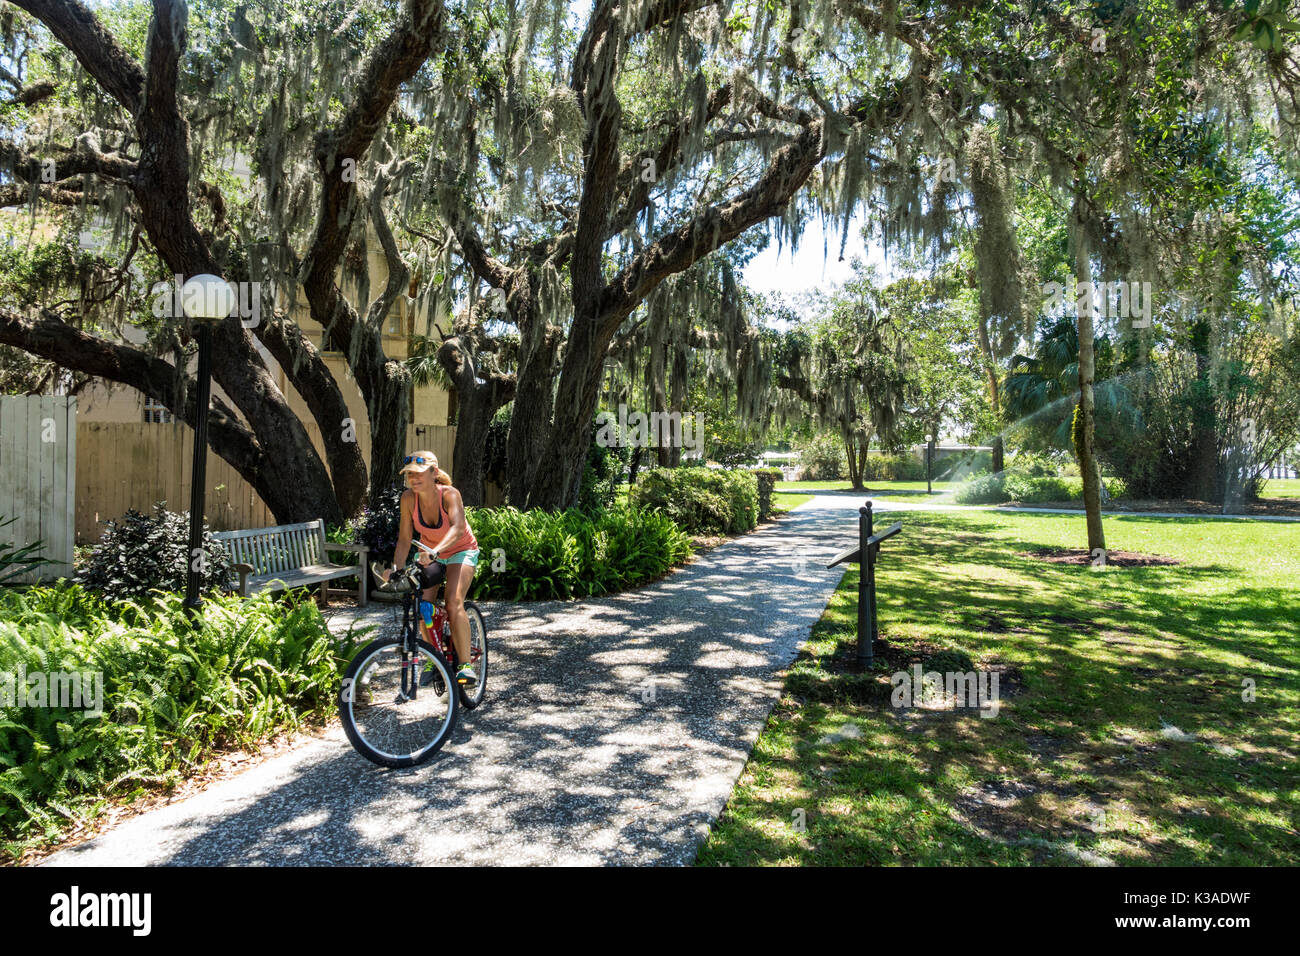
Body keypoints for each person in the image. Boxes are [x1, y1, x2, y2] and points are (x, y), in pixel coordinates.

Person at [380, 451, 480, 687]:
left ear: (434, 473)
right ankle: (434, 657)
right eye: (409, 475)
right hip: (428, 554)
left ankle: (465, 666)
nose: (413, 479)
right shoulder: (408, 499)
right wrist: (396, 568)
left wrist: (436, 551)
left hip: (460, 551)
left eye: (418, 474)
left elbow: (456, 529)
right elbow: (405, 539)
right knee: (422, 605)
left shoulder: (450, 495)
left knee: (454, 601)